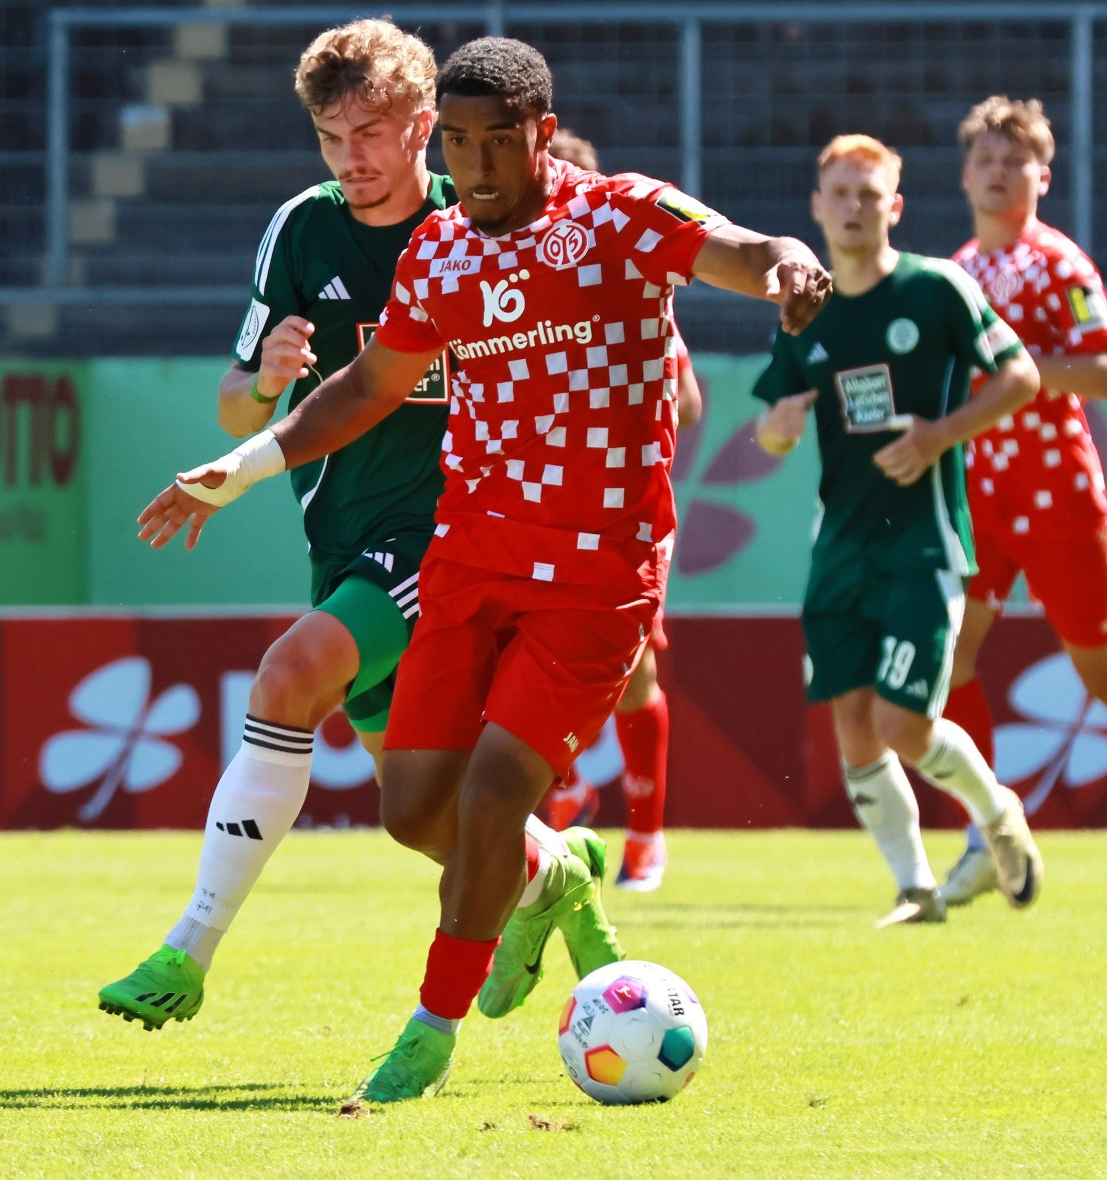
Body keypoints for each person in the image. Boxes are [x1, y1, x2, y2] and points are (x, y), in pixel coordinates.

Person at [136, 36, 831, 1101]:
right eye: (456, 145)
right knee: (415, 810)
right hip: (467, 565)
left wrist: (784, 263)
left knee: (501, 783)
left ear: (540, 134)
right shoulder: (442, 253)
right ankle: (554, 882)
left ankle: (428, 1027)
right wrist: (234, 468)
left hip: (595, 574)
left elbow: (737, 247)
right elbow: (362, 388)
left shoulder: (621, 214)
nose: (471, 168)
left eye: (490, 144)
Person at [98, 19, 616, 1035]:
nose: (354, 159)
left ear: (426, 125)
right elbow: (234, 405)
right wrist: (266, 385)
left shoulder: (478, 224)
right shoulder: (300, 230)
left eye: (373, 132)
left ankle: (188, 950)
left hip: (452, 535)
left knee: (290, 673)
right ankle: (556, 880)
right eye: (334, 138)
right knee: (423, 815)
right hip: (343, 540)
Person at [753, 133, 1044, 928]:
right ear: (816, 206)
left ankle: (998, 816)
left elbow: (1021, 376)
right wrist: (778, 427)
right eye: (839, 194)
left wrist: (940, 435)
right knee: (853, 730)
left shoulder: (936, 289)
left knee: (902, 726)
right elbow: (774, 430)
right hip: (838, 547)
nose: (852, 208)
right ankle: (915, 889)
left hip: (922, 543)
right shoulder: (803, 308)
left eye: (868, 195)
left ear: (895, 206)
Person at [938, 96, 1107, 905]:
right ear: (965, 174)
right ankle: (989, 831)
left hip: (1057, 494)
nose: (999, 174)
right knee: (948, 663)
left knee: (1099, 672)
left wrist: (1016, 368)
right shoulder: (960, 269)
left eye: (1016, 161)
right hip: (976, 497)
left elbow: (1101, 370)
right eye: (986, 160)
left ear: (1044, 175)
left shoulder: (1063, 266)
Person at [539, 126, 705, 892]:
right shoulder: (506, 288)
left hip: (619, 509)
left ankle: (646, 834)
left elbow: (692, 402)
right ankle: (565, 786)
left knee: (632, 675)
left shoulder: (632, 286)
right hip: (531, 506)